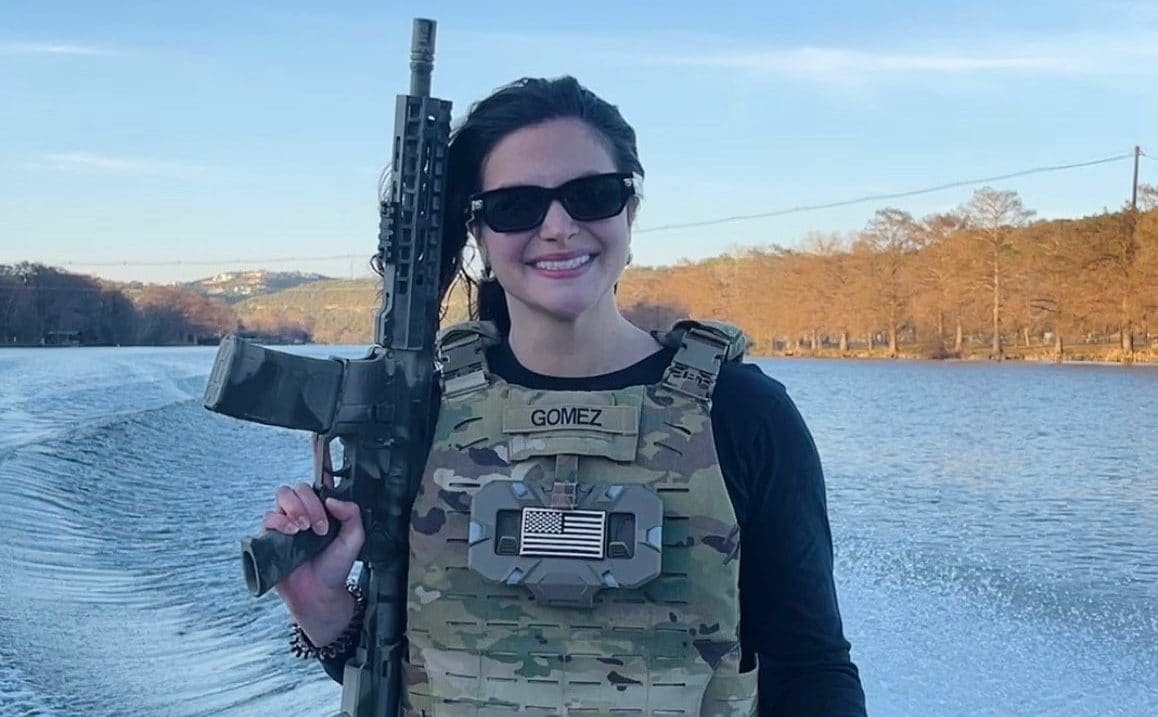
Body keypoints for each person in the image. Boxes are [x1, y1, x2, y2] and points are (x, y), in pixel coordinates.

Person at [261, 76, 867, 716]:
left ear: (629, 213)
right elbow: (413, 674)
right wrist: (324, 611)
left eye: (590, 196)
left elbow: (810, 668)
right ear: (481, 236)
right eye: (516, 205)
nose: (557, 226)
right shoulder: (422, 414)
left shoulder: (743, 412)